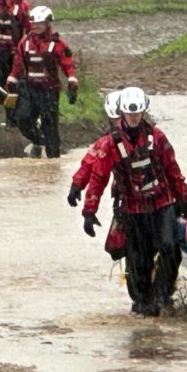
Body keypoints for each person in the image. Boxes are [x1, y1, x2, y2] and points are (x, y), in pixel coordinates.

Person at [79, 87, 187, 316]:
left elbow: (172, 169)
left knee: (170, 247)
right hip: (133, 209)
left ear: (144, 112)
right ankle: (142, 301)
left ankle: (163, 294)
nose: (134, 118)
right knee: (138, 259)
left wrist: (184, 199)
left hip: (162, 204)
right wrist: (89, 211)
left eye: (138, 113)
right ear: (122, 113)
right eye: (130, 114)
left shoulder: (157, 137)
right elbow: (99, 178)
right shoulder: (110, 144)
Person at [5, 5, 78, 158]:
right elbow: (18, 62)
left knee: (50, 126)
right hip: (29, 89)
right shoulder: (25, 42)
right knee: (22, 118)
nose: (36, 27)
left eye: (40, 24)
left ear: (47, 23)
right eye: (34, 24)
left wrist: (71, 79)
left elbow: (67, 62)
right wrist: (12, 78)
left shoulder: (58, 43)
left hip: (49, 91)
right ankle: (39, 140)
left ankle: (53, 161)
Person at [68, 90, 127, 259]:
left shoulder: (152, 137)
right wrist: (77, 186)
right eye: (116, 119)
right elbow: (93, 167)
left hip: (154, 199)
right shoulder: (107, 143)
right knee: (117, 249)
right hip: (127, 199)